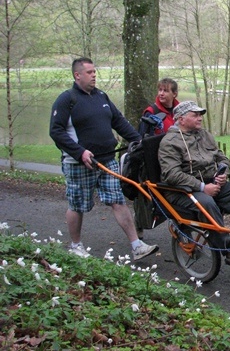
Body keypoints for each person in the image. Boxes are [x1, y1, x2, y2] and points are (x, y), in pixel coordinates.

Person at [49, 57, 159, 261]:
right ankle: (75, 245)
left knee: (118, 200)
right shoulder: (67, 99)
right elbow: (56, 131)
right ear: (77, 75)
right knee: (77, 205)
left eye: (94, 72)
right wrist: (80, 152)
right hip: (80, 163)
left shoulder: (101, 97)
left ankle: (137, 245)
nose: (94, 75)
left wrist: (140, 141)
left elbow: (119, 122)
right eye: (89, 72)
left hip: (107, 160)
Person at [157, 100, 230, 265]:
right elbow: (172, 174)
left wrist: (223, 172)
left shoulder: (204, 135)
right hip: (182, 191)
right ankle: (229, 249)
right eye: (195, 115)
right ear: (180, 119)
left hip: (211, 184)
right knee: (206, 202)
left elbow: (221, 157)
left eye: (200, 115)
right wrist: (202, 187)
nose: (200, 118)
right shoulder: (170, 142)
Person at [135, 78, 180, 239]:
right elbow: (142, 139)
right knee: (147, 195)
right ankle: (139, 225)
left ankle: (179, 225)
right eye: (160, 90)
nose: (161, 93)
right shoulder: (151, 112)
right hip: (154, 160)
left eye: (165, 90)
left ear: (174, 94)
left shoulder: (180, 111)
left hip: (176, 158)